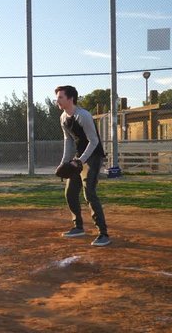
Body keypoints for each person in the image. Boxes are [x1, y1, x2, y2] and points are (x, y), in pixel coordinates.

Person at [55, 85, 111, 247]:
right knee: (70, 192)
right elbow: (68, 141)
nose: (57, 100)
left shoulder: (83, 116)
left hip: (92, 156)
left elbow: (94, 141)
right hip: (78, 158)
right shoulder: (63, 118)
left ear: (70, 99)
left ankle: (103, 234)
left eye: (60, 97)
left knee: (89, 193)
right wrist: (64, 162)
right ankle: (78, 227)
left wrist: (81, 160)